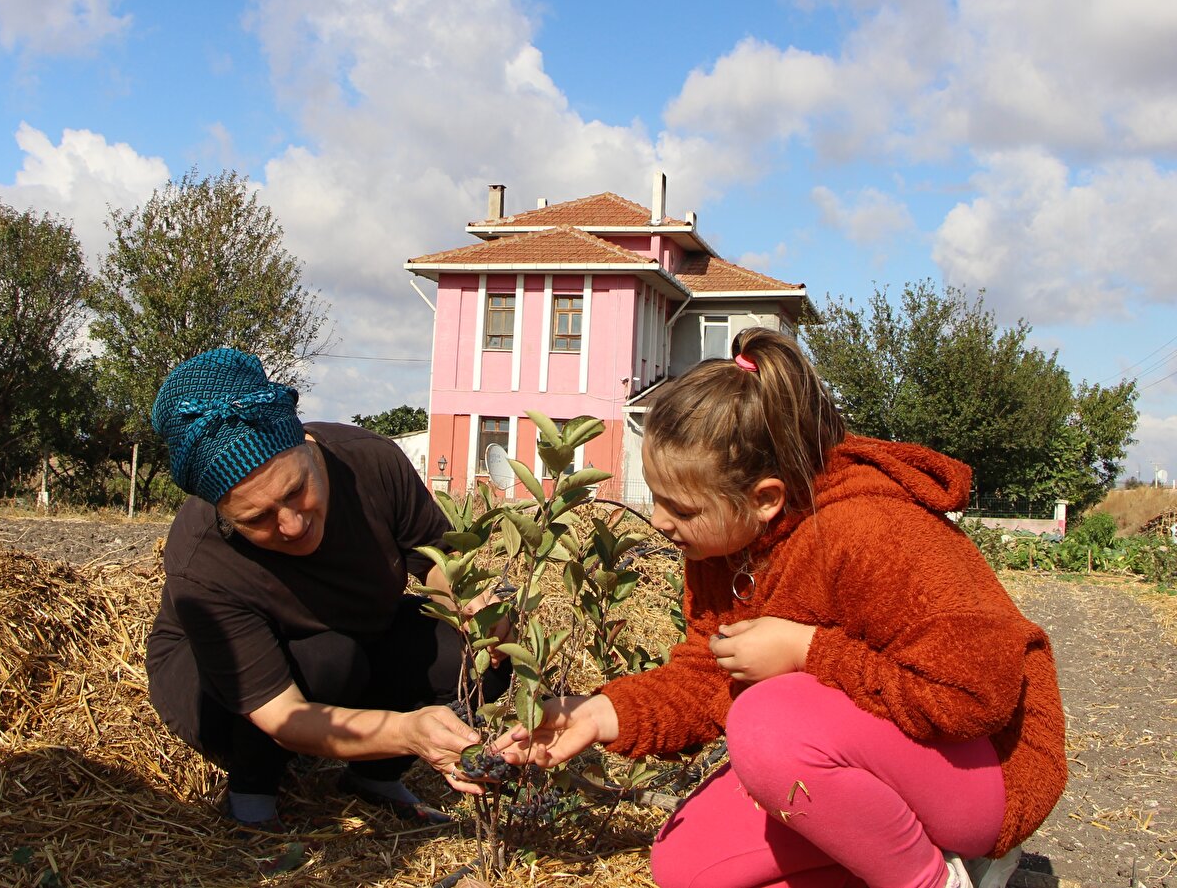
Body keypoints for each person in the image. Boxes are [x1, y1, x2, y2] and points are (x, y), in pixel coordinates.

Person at [498, 327, 1067, 888]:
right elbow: (707, 678)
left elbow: (975, 695)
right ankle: (912, 860)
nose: (662, 522)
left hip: (985, 771)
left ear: (765, 498)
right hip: (878, 757)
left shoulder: (871, 531)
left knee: (767, 723)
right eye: (656, 497)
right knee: (689, 865)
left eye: (683, 508)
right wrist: (596, 714)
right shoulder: (723, 547)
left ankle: (935, 880)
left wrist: (806, 651)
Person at [146, 347, 507, 832]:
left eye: (296, 490)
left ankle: (373, 780)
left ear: (307, 446)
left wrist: (469, 607)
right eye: (257, 518)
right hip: (216, 683)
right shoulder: (201, 558)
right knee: (333, 659)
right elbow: (284, 715)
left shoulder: (370, 463)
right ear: (224, 515)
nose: (292, 524)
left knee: (466, 648)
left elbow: (438, 562)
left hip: (347, 636)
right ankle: (251, 798)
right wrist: (406, 731)